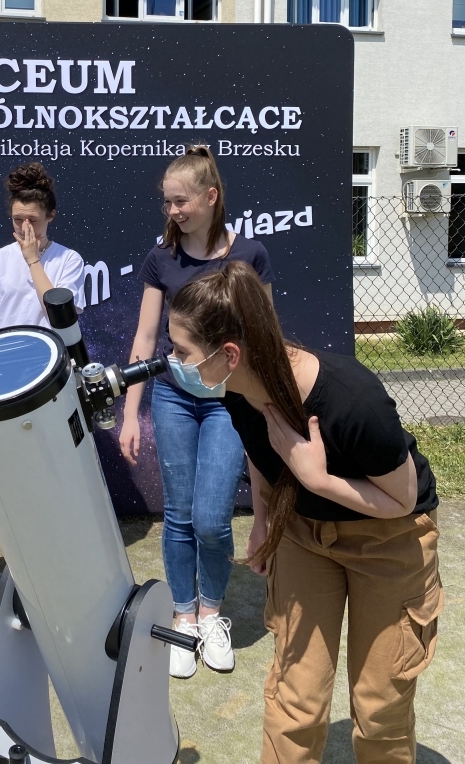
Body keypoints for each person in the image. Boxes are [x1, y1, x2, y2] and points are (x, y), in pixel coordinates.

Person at [168, 260, 441, 764]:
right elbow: (259, 452)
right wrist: (264, 522)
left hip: (389, 537)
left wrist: (319, 480)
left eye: (182, 352)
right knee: (295, 697)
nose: (173, 361)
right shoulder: (238, 390)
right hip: (303, 533)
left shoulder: (351, 399)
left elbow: (403, 499)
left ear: (229, 354)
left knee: (379, 705)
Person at [118, 145, 274, 676]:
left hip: (230, 402)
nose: (172, 211)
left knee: (211, 517)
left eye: (180, 201)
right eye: (166, 202)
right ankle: (185, 618)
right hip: (174, 397)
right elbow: (145, 338)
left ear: (210, 197)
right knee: (179, 515)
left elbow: (264, 337)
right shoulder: (160, 259)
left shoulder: (250, 255)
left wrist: (268, 407)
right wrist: (130, 413)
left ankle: (212, 615)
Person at [0, 162, 86, 600]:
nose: (25, 229)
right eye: (17, 220)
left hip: (47, 385)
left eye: (34, 221)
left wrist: (33, 260)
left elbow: (60, 316)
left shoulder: (69, 261)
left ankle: (44, 560)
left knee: (44, 470)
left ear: (51, 217)